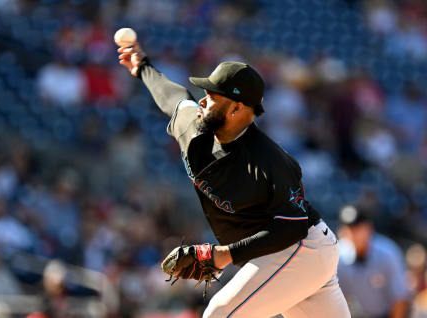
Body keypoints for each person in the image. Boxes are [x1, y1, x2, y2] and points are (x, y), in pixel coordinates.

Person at [117, 41, 350, 317]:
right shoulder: (193, 126)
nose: (202, 100)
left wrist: (223, 255)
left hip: (302, 249)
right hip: (282, 258)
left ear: (236, 109)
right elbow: (172, 96)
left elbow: (292, 228)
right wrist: (143, 68)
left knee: (219, 314)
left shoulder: (270, 161)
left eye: (213, 96)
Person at [337, 204, 410, 318]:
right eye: (350, 229)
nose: (354, 233)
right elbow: (337, 297)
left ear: (369, 228)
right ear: (343, 232)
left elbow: (400, 299)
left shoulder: (387, 253)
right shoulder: (338, 256)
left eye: (358, 228)